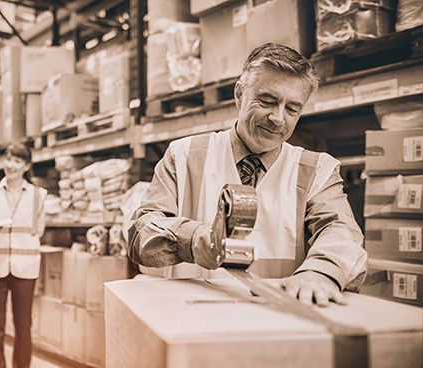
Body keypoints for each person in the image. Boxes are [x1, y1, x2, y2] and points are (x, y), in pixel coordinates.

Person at [128, 43, 367, 307]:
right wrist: (194, 239)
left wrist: (321, 271)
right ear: (240, 94)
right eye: (267, 101)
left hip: (279, 322)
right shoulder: (183, 156)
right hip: (193, 318)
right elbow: (142, 232)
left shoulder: (317, 171)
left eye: (292, 109)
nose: (278, 118)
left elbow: (341, 229)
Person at [0, 143, 47, 368]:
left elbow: (38, 230)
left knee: (23, 327)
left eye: (18, 160)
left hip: (25, 267)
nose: (11, 164)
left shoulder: (39, 195)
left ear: (27, 166)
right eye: (8, 159)